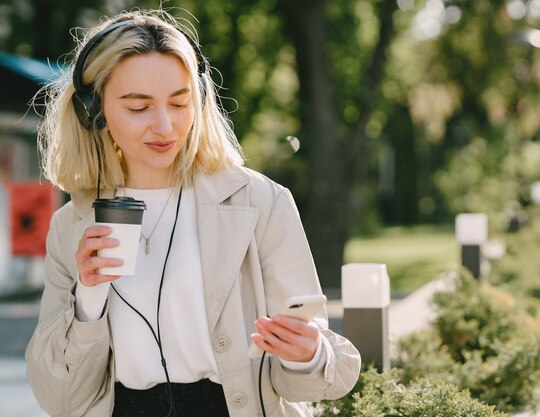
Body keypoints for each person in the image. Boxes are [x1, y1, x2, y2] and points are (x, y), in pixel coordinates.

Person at [25, 9, 361, 417]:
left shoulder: (259, 202)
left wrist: (306, 355)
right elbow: (59, 398)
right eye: (138, 107)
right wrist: (89, 298)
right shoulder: (70, 226)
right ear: (93, 110)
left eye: (180, 102)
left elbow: (319, 378)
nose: (165, 126)